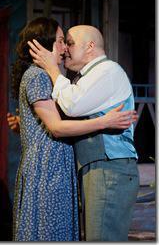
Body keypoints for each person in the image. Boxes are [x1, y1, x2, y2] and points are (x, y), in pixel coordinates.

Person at [10, 18, 137, 242]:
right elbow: (57, 125)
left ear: (89, 46)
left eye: (68, 42)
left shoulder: (105, 71)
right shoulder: (40, 76)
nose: (65, 49)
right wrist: (104, 121)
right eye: (61, 41)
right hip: (51, 167)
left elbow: (71, 105)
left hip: (103, 167)